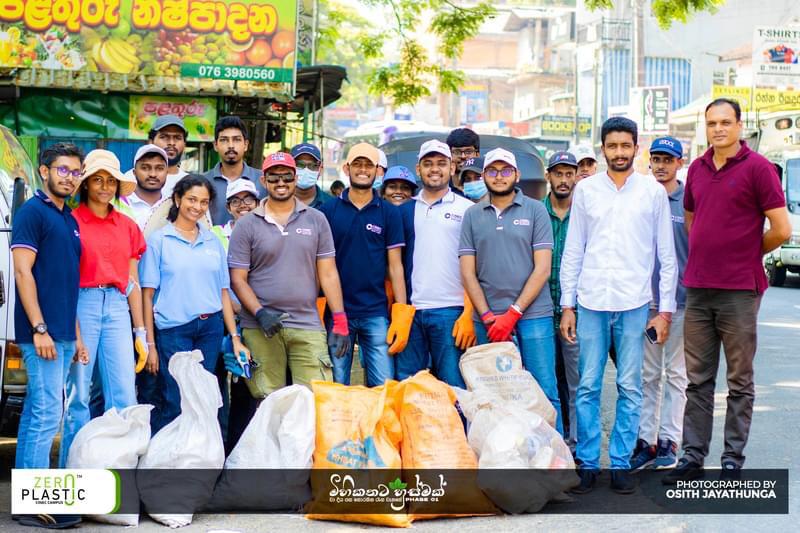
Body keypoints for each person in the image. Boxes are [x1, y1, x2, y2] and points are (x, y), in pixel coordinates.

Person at [664, 99, 791, 484]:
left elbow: (782, 229)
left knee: (739, 379)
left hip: (739, 289)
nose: (718, 129)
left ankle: (733, 458)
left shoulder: (759, 169)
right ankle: (691, 457)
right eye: (711, 123)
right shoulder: (698, 170)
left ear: (739, 126)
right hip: (699, 289)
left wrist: (746, 251)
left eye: (725, 122)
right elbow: (690, 218)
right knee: (698, 379)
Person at [559, 117, 678, 495]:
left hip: (634, 303)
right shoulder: (587, 190)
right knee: (588, 386)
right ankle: (589, 463)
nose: (620, 152)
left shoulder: (652, 193)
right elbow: (573, 249)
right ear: (603, 149)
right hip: (591, 301)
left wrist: (665, 311)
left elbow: (666, 256)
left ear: (636, 148)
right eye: (612, 146)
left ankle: (622, 463)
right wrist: (567, 305)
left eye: (626, 146)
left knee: (630, 385)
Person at [229, 152, 348, 398]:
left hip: (306, 322)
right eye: (274, 178)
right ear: (264, 180)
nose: (281, 183)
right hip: (260, 325)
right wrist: (260, 313)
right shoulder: (247, 224)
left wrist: (340, 320)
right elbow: (238, 278)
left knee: (314, 398)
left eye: (286, 177)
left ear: (295, 179)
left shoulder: (317, 220)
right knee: (267, 401)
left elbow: (328, 273)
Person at [459, 148, 561, 429]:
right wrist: (490, 317)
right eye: (492, 171)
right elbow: (468, 272)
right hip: (487, 320)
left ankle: (554, 462)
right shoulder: (472, 215)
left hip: (533, 316)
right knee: (493, 396)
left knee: (543, 390)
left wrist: (513, 314)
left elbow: (542, 269)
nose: (499, 176)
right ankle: (502, 458)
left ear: (516, 175)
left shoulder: (536, 210)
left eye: (505, 171)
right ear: (484, 176)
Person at [11, 143, 84, 528]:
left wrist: (76, 335)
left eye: (75, 171)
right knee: (45, 415)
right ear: (44, 171)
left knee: (36, 415)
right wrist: (39, 328)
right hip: (42, 334)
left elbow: (66, 281)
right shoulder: (32, 213)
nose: (69, 177)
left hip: (63, 332)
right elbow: (24, 274)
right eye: (62, 170)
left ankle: (27, 500)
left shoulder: (68, 218)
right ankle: (37, 502)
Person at [139, 175, 249, 432]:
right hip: (173, 330)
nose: (197, 207)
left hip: (209, 329)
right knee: (174, 398)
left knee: (202, 397)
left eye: (204, 202)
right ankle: (166, 462)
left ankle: (196, 460)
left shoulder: (213, 241)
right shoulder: (159, 241)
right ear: (177, 199)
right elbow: (147, 295)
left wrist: (233, 336)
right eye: (191, 199)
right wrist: (150, 344)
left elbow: (223, 292)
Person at [59, 150, 146, 467]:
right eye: (98, 179)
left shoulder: (127, 225)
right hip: (82, 303)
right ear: (86, 184)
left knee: (125, 394)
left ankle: (120, 477)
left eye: (111, 180)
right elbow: (64, 280)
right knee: (78, 396)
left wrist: (140, 331)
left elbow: (132, 279)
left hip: (118, 306)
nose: (106, 186)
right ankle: (73, 474)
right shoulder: (71, 222)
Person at [318, 143, 411, 387]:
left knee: (383, 386)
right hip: (338, 313)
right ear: (346, 168)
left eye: (368, 165)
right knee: (337, 386)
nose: (362, 170)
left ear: (378, 171)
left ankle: (376, 427)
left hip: (376, 312)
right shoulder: (328, 211)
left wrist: (401, 311)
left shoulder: (389, 212)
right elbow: (322, 266)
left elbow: (395, 266)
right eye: (357, 164)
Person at [627, 136, 690, 472]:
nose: (662, 165)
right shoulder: (642, 197)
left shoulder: (689, 201)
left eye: (668, 159)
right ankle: (646, 441)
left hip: (683, 302)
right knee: (648, 375)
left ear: (679, 162)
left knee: (678, 375)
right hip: (645, 302)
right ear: (649, 162)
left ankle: (670, 440)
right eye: (656, 159)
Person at [396, 140, 475, 386]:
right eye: (428, 164)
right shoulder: (404, 211)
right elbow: (394, 263)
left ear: (452, 169)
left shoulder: (467, 209)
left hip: (451, 312)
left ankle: (459, 427)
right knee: (409, 388)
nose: (435, 169)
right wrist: (399, 309)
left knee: (455, 387)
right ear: (418, 169)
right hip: (412, 312)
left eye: (442, 163)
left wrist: (469, 312)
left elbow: (478, 265)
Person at [543, 150, 581, 453]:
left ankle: (577, 444)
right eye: (559, 173)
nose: (564, 180)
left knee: (577, 383)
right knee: (547, 382)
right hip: (539, 311)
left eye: (570, 174)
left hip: (575, 312)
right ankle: (551, 444)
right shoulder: (533, 212)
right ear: (549, 176)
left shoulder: (584, 214)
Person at [204, 116, 266, 225]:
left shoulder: (263, 181)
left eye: (236, 139)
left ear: (246, 145)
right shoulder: (203, 182)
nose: (231, 146)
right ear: (215, 145)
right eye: (224, 140)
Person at [123, 115, 189, 199]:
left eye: (177, 137)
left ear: (184, 144)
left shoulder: (189, 183)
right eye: (164, 137)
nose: (171, 143)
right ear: (151, 141)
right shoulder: (129, 179)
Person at [122, 144, 169, 229]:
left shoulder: (172, 206)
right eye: (145, 168)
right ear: (134, 172)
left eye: (159, 168)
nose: (153, 174)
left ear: (167, 172)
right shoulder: (121, 204)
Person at [213, 178, 259, 242]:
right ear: (228, 208)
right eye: (235, 201)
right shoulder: (214, 234)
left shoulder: (267, 231)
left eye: (248, 199)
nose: (243, 205)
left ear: (257, 204)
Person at [291, 142, 333, 209]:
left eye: (313, 165)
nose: (306, 170)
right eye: (299, 165)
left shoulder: (331, 204)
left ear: (320, 169)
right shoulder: (276, 201)